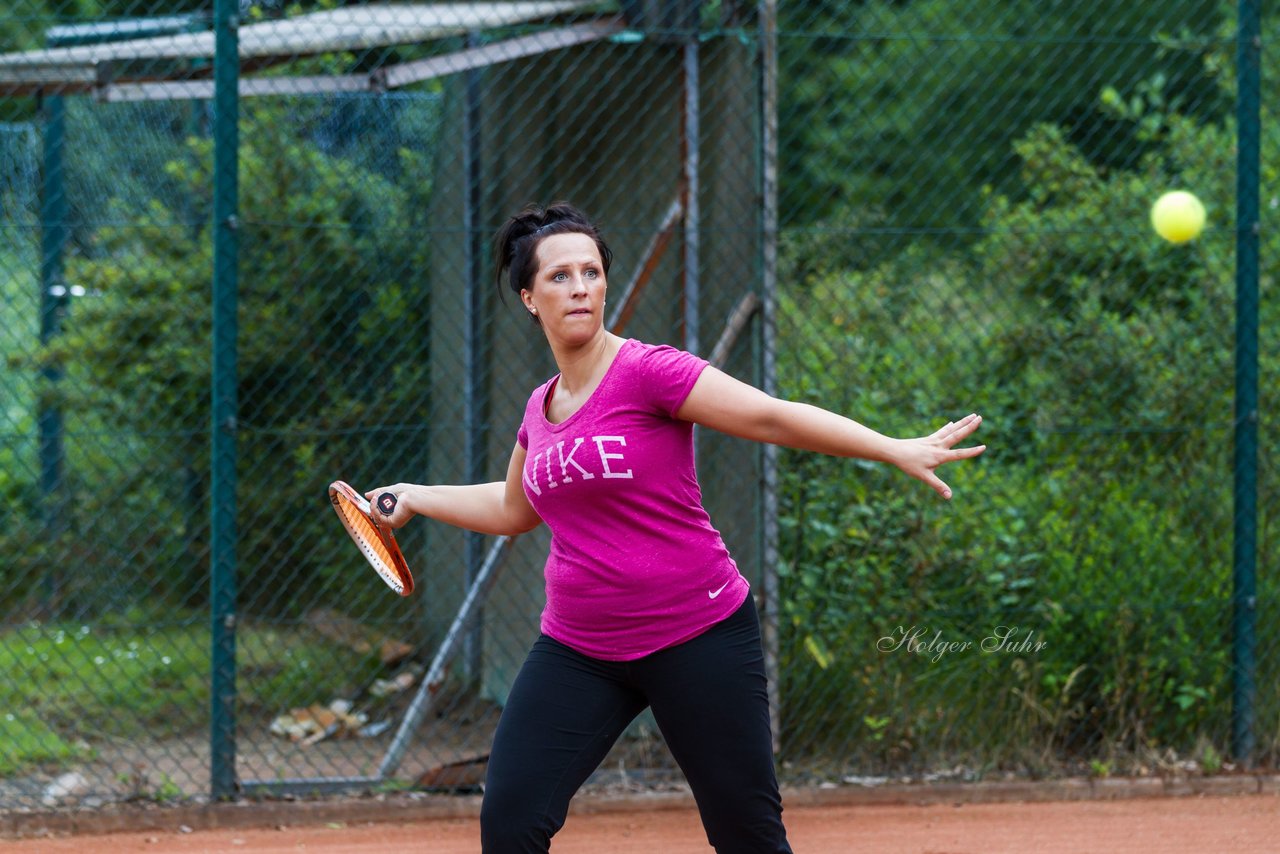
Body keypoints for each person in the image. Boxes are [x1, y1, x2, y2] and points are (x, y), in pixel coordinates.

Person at [367, 202, 985, 852]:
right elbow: (515, 510)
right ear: (528, 296)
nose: (580, 287)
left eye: (591, 271)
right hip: (580, 650)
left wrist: (893, 447)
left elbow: (770, 417)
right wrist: (414, 496)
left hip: (700, 634)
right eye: (558, 277)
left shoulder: (647, 371)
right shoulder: (539, 408)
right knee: (511, 821)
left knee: (748, 837)